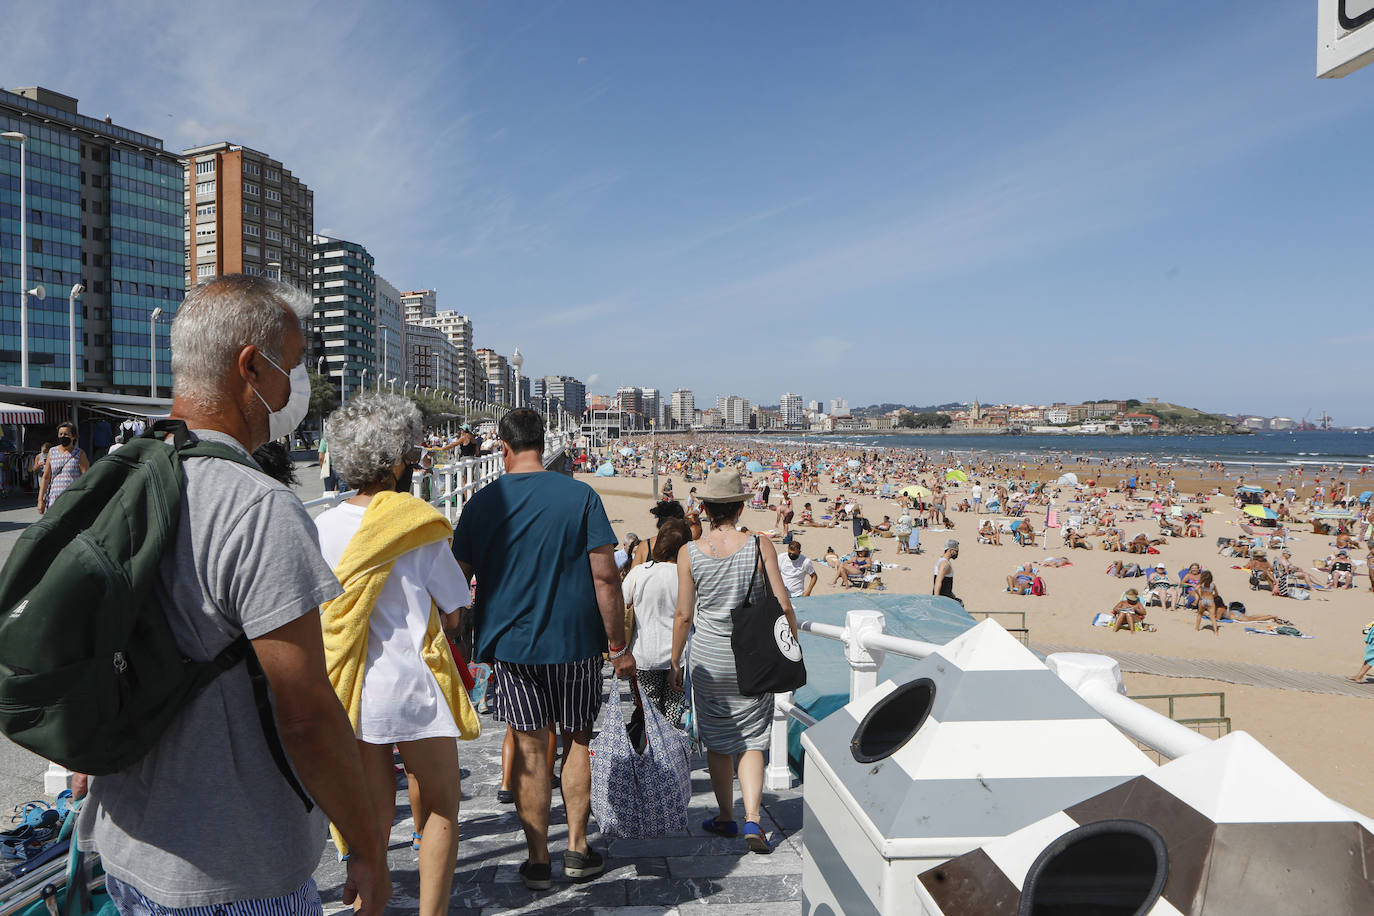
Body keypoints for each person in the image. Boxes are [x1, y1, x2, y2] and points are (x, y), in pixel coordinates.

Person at [77, 276, 390, 915]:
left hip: (125, 845)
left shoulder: (118, 478)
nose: (294, 388)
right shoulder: (258, 507)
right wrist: (366, 846)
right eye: (294, 367)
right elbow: (304, 712)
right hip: (230, 871)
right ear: (251, 367)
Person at [451, 408, 635, 890]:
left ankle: (537, 860)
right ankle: (577, 848)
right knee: (577, 740)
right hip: (575, 642)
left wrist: (451, 636)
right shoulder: (580, 496)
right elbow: (605, 577)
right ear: (540, 441)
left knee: (531, 748)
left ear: (504, 448)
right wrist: (617, 644)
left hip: (511, 647)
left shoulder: (482, 503)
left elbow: (456, 580)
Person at [314, 395, 472, 916]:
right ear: (399, 460)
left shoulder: (319, 527)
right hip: (415, 685)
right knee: (441, 807)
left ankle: (370, 908)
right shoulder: (416, 523)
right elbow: (454, 608)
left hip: (351, 687)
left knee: (371, 818)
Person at [671, 468, 798, 854]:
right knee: (753, 739)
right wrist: (790, 642)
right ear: (741, 507)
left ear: (706, 508)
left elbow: (683, 615)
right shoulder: (760, 546)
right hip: (751, 656)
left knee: (718, 738)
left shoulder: (689, 552)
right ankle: (753, 821)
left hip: (709, 657)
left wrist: (675, 661)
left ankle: (726, 815)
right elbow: (783, 603)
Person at [621, 518, 691, 728]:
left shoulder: (640, 573)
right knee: (671, 720)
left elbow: (622, 604)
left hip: (644, 656)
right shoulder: (688, 577)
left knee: (646, 719)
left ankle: (650, 758)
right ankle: (669, 759)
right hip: (679, 658)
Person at [38, 421, 89, 514]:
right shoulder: (52, 452)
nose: (62, 436)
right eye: (60, 434)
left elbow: (86, 479)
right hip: (54, 499)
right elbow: (46, 477)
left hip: (72, 500)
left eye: (66, 434)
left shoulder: (79, 454)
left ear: (73, 436)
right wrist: (40, 500)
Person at [933, 539, 961, 604]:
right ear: (951, 550)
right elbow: (938, 581)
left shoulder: (943, 560)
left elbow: (945, 583)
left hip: (946, 596)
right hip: (943, 600)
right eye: (956, 551)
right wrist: (936, 600)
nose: (957, 553)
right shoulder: (945, 564)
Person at [1195, 570, 1222, 634]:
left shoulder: (1201, 584)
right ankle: (1215, 631)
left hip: (1203, 600)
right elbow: (1217, 594)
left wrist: (1199, 595)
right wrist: (1212, 596)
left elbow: (1196, 589)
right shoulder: (1213, 585)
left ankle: (1197, 628)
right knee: (1212, 616)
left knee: (1200, 614)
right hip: (1210, 600)